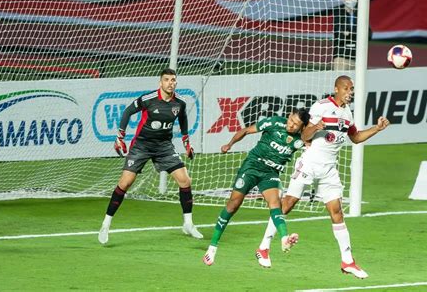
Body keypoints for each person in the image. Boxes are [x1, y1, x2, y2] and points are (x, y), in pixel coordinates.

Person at [258, 75, 390, 278]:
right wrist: (315, 127)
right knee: (287, 204)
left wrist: (377, 129)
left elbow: (355, 138)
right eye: (346, 88)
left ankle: (348, 261)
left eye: (351, 89)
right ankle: (264, 247)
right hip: (309, 164)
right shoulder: (320, 107)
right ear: (336, 89)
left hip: (329, 169)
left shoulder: (347, 114)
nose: (350, 92)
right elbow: (303, 136)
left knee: (337, 212)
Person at [98, 68, 203, 244]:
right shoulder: (148, 99)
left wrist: (186, 142)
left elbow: (183, 119)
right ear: (160, 83)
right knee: (125, 183)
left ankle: (188, 223)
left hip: (164, 147)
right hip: (141, 145)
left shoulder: (179, 103)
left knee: (185, 180)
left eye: (173, 80)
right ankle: (106, 224)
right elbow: (127, 112)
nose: (171, 83)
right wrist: (120, 136)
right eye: (167, 80)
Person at [203, 108, 310, 267]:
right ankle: (212, 248)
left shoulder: (301, 139)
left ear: (302, 127)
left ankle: (284, 239)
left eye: (296, 125)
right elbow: (246, 130)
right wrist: (229, 144)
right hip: (252, 166)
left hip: (270, 173)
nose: (291, 125)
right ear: (288, 116)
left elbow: (315, 141)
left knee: (275, 204)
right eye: (291, 120)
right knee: (233, 205)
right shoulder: (274, 123)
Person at [332, 0, 359, 71]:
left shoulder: (361, 12)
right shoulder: (338, 12)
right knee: (340, 80)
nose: (351, 0)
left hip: (357, 56)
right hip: (341, 56)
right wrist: (356, 34)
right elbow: (339, 34)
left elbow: (368, 34)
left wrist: (348, 33)